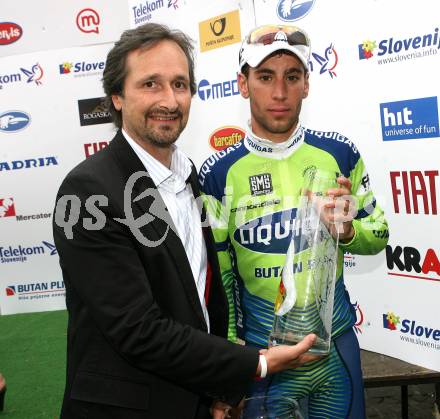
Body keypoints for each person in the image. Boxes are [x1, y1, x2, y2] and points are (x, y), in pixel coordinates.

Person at [52, 23, 319, 419]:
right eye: (150, 85)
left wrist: (217, 389)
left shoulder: (186, 175)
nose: (170, 100)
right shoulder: (86, 191)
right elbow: (138, 330)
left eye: (180, 84)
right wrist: (254, 365)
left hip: (194, 398)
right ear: (117, 97)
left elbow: (199, 297)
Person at [199, 24, 389, 419]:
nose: (280, 93)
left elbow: (379, 235)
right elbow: (222, 281)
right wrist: (232, 363)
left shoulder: (339, 154)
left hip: (334, 345)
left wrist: (349, 230)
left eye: (292, 77)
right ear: (243, 84)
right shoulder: (217, 174)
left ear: (307, 84)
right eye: (265, 77)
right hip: (262, 356)